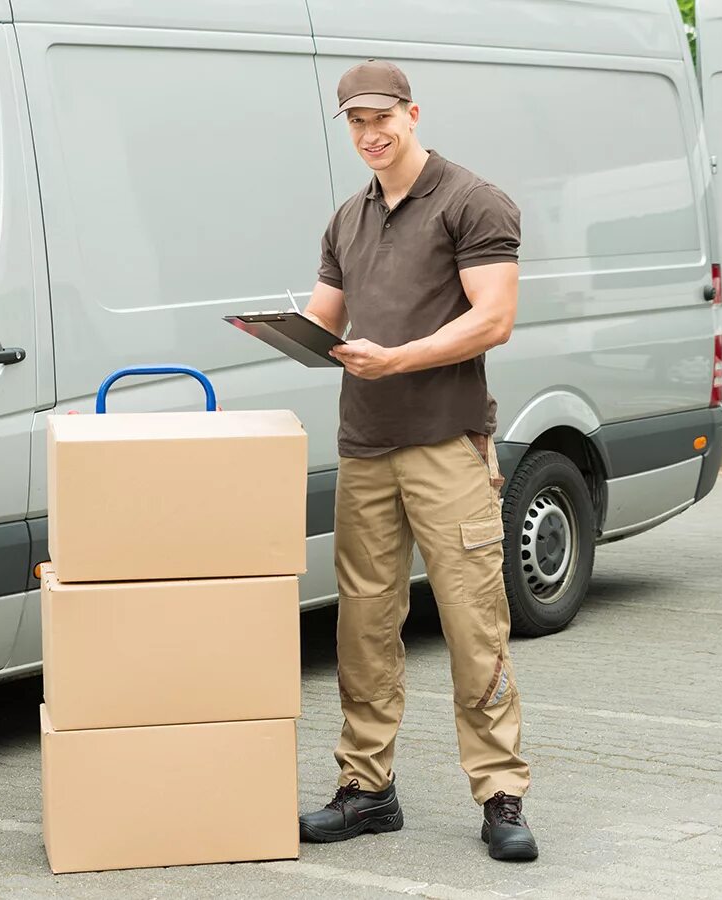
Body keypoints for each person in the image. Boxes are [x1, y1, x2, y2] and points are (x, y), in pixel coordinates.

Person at [298, 59, 538, 863]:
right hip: (365, 447)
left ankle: (501, 793)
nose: (370, 134)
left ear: (412, 113)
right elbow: (325, 319)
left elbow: (493, 319)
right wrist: (283, 329)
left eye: (382, 119)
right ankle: (367, 790)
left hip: (445, 443)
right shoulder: (347, 220)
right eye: (356, 123)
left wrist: (397, 360)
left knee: (474, 623)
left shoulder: (473, 201)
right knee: (364, 627)